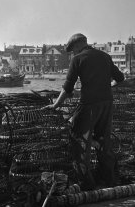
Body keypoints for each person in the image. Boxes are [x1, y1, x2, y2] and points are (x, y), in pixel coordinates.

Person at [43, 33, 124, 190]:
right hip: (107, 103)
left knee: (78, 140)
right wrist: (108, 87)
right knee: (103, 141)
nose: (73, 53)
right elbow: (120, 78)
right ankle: (109, 180)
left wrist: (56, 105)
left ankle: (86, 183)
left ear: (78, 45)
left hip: (89, 105)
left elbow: (68, 87)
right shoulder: (105, 56)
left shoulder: (78, 59)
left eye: (73, 50)